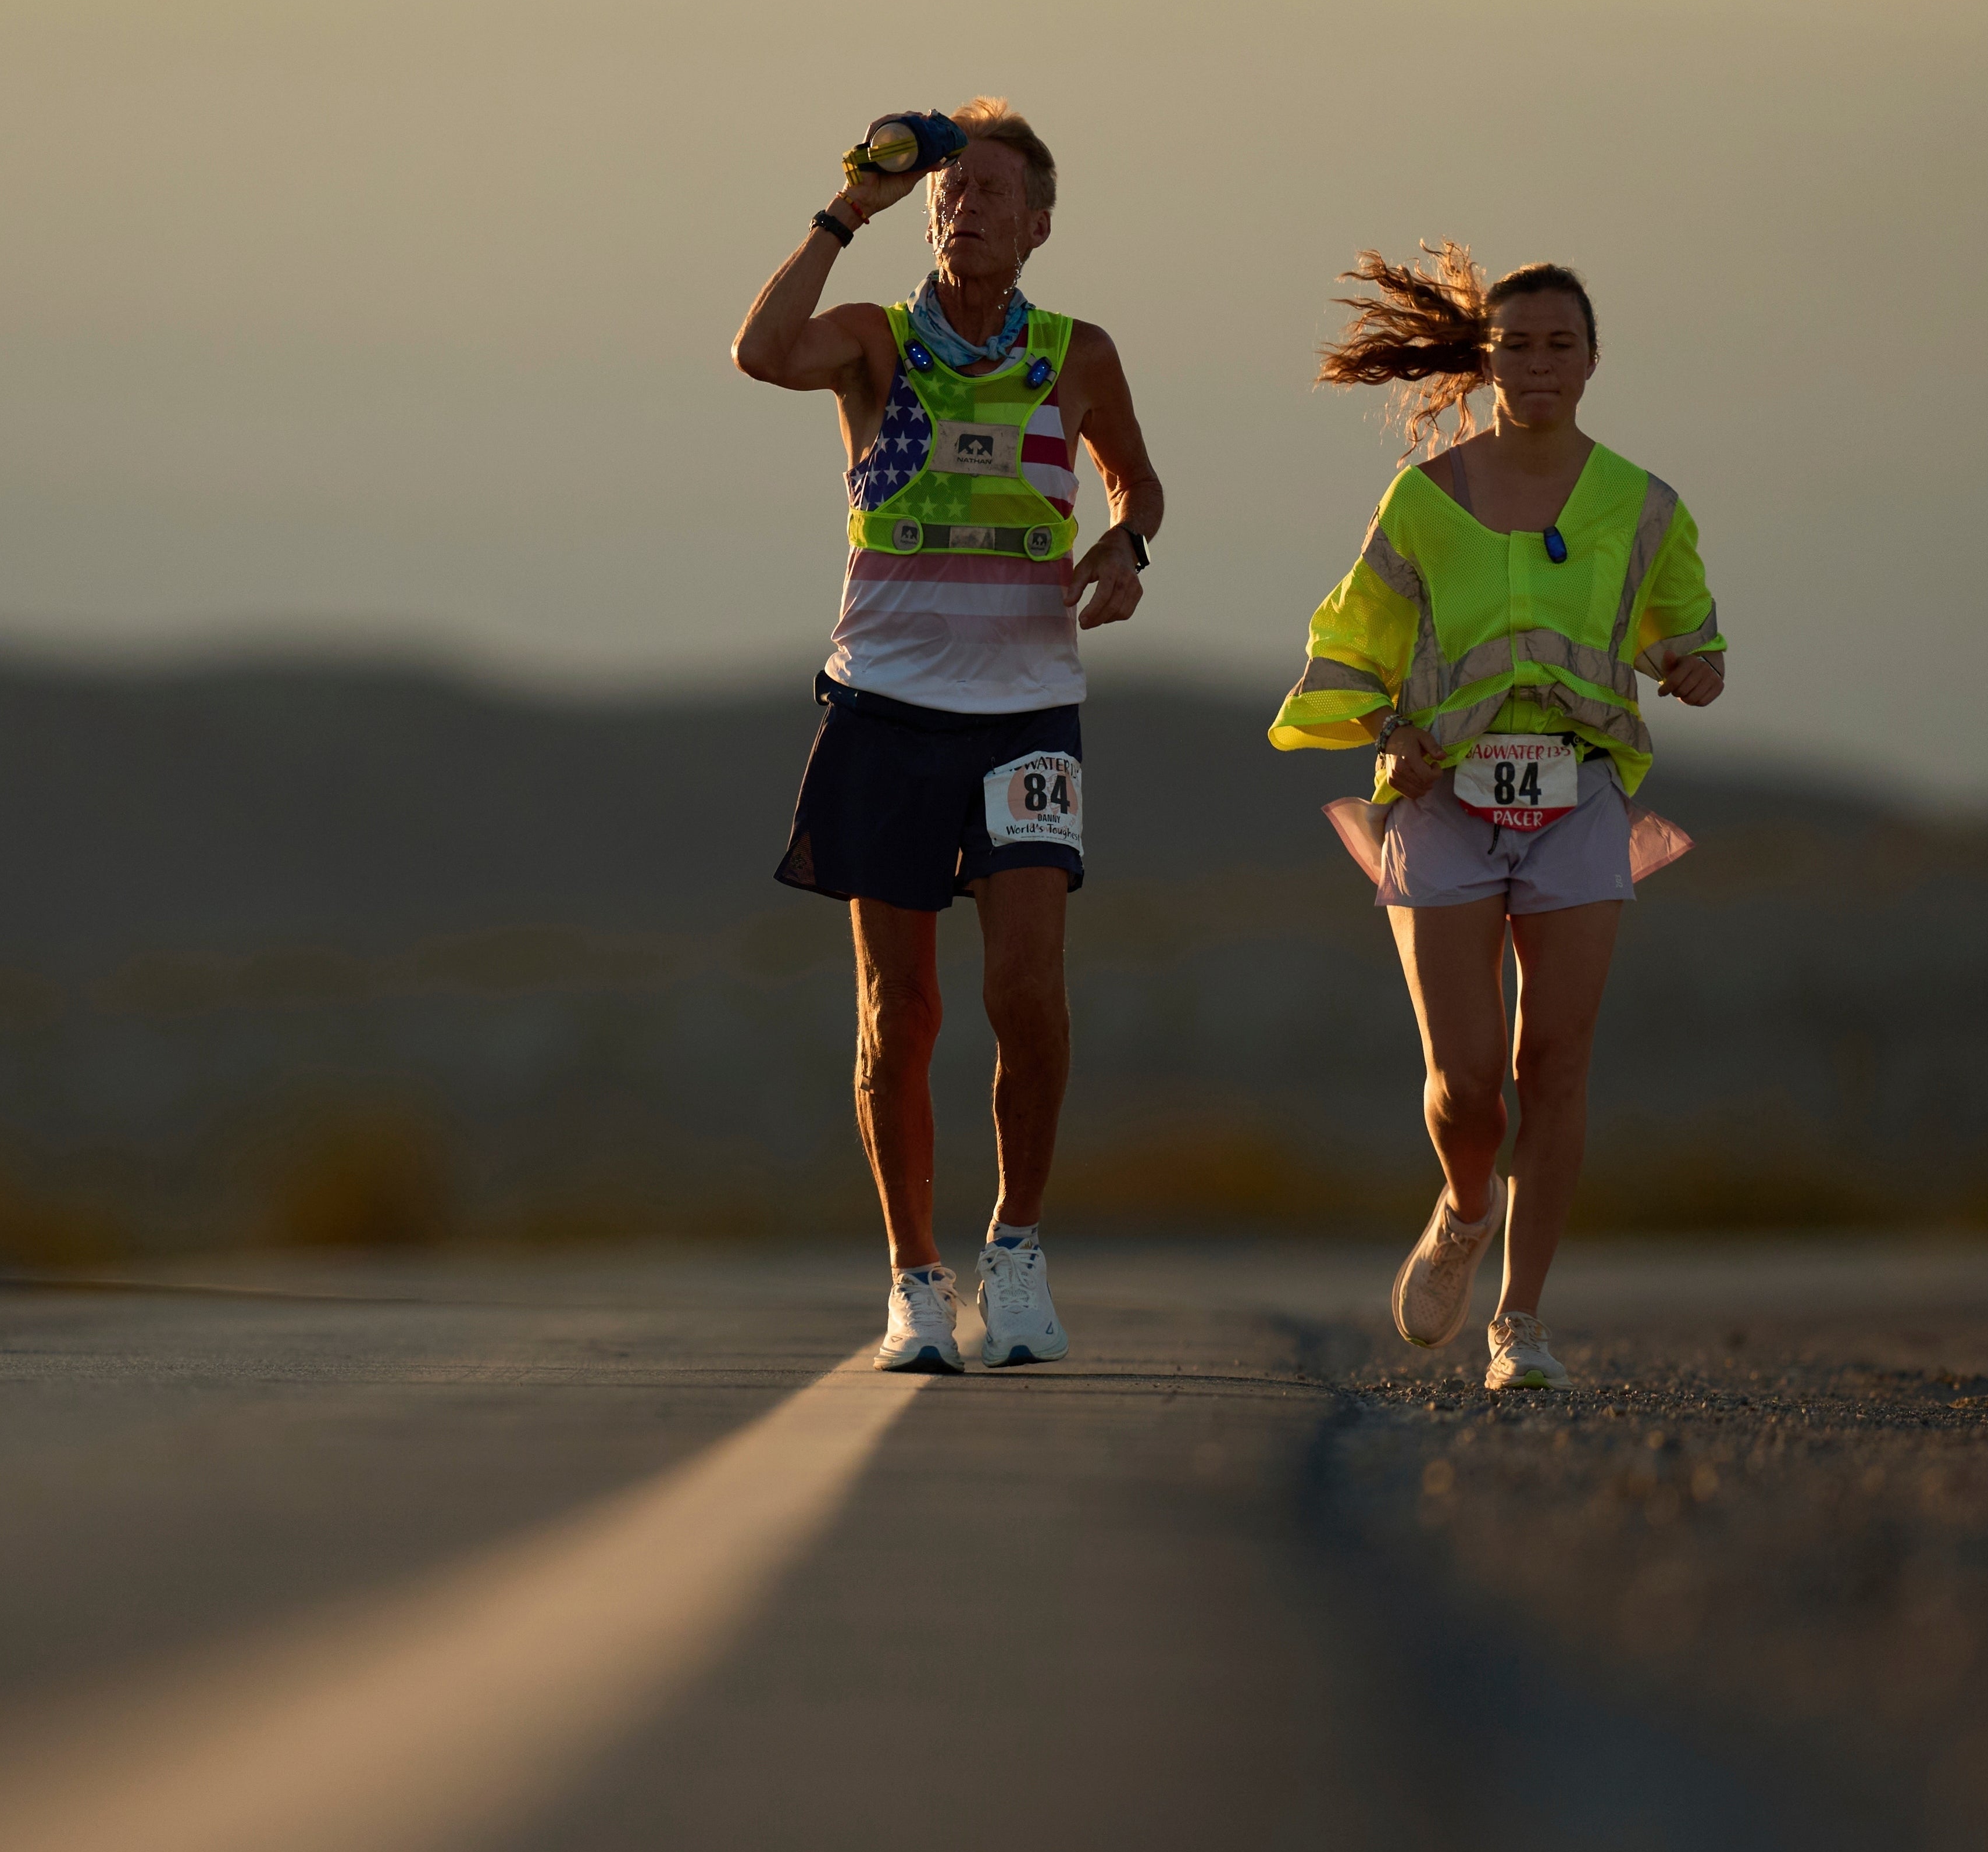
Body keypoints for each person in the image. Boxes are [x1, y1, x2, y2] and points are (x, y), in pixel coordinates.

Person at [729, 99, 1165, 1373]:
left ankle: (1016, 1252)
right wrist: (839, 214)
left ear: (1038, 225)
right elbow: (759, 354)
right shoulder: (874, 341)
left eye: (992, 193)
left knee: (1027, 993)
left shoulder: (1081, 353)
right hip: (885, 704)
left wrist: (1127, 548)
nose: (965, 207)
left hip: (1026, 708)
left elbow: (1138, 481)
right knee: (899, 1009)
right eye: (949, 190)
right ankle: (914, 1279)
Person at [1268, 243, 1726, 1391]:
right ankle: (1466, 1208)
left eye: (1558, 344)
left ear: (1592, 360)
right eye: (1515, 344)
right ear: (1485, 360)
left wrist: (1689, 665)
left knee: (1555, 1067)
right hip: (1448, 807)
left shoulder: (1644, 504)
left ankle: (1521, 1323)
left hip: (1579, 798)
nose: (1536, 364)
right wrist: (1390, 736)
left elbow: (1690, 634)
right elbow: (1354, 642)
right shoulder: (1424, 500)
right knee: (1467, 1087)